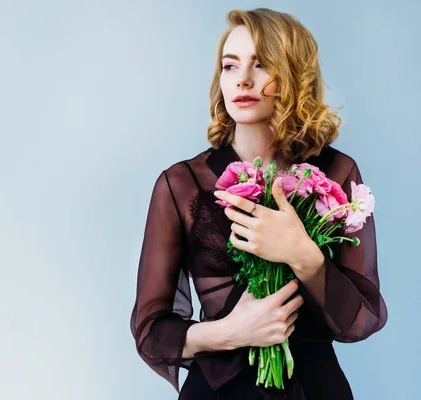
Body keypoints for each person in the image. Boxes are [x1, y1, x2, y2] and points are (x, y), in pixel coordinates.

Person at [129, 7, 387, 400]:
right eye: (230, 66)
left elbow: (361, 321)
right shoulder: (180, 185)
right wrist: (228, 332)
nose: (243, 79)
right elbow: (151, 333)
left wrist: (303, 255)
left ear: (293, 73)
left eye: (261, 64)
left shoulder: (337, 172)